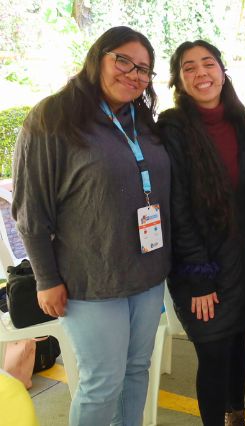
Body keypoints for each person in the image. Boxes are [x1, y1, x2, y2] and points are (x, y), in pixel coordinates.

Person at [12, 26, 170, 425]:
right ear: (97, 58)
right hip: (90, 279)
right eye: (123, 61)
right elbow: (30, 210)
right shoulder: (52, 119)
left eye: (143, 69)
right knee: (102, 383)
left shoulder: (141, 120)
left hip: (148, 274)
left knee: (136, 370)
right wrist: (47, 279)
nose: (133, 74)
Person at [157, 40, 245, 426]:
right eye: (189, 67)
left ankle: (237, 415)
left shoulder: (242, 122)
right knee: (213, 352)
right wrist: (199, 276)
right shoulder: (172, 127)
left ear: (222, 70)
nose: (201, 72)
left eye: (208, 63)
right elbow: (177, 209)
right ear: (178, 80)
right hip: (199, 263)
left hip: (242, 257)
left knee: (237, 340)